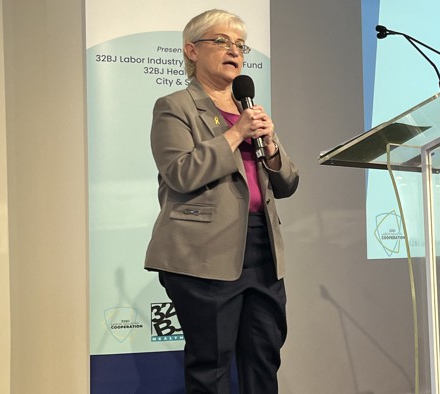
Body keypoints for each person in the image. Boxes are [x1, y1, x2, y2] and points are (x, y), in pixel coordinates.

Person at [144, 9, 299, 393]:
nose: (234, 50)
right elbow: (180, 172)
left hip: (262, 249)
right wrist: (235, 135)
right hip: (204, 254)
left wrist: (271, 144)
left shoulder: (250, 112)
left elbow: (288, 182)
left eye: (240, 45)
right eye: (222, 41)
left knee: (263, 358)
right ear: (192, 50)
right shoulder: (174, 106)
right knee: (210, 367)